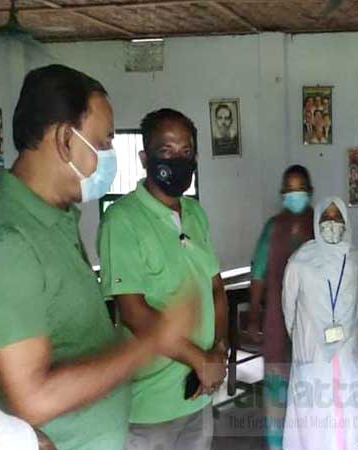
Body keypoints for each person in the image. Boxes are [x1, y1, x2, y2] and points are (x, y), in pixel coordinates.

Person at [0, 64, 193, 450]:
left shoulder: (55, 220)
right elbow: (33, 398)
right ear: (65, 139)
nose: (108, 156)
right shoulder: (11, 242)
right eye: (103, 143)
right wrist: (151, 342)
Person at [97, 108, 227, 450]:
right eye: (166, 150)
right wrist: (200, 359)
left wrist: (219, 350)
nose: (177, 159)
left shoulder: (195, 213)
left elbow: (216, 288)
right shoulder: (122, 220)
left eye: (186, 151)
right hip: (150, 407)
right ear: (145, 159)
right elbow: (133, 313)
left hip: (198, 393)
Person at [282, 197, 358, 450]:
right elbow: (289, 308)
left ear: (346, 222)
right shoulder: (300, 260)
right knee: (313, 417)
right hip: (311, 352)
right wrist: (306, 338)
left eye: (337, 217)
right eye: (326, 217)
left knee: (348, 412)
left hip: (348, 351)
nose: (332, 222)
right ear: (316, 221)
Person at [247, 164, 315, 450]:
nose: (294, 194)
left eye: (300, 189)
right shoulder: (272, 228)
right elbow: (258, 275)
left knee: (312, 395)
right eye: (289, 189)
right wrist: (253, 317)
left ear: (310, 192)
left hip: (312, 326)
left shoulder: (320, 225)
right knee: (277, 394)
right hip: (277, 321)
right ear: (282, 193)